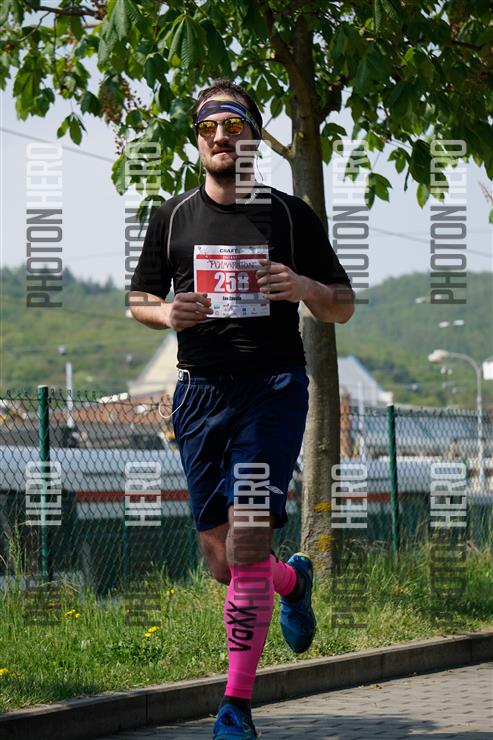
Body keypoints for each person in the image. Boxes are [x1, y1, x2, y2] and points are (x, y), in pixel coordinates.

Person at [129, 78, 355, 739]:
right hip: (199, 393)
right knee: (224, 563)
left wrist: (304, 285)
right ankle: (291, 582)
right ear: (197, 141)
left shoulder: (290, 215)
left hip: (272, 390)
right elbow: (138, 300)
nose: (221, 136)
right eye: (208, 127)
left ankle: (235, 706)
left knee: (249, 535)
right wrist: (167, 313)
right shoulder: (172, 217)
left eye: (233, 124)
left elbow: (341, 304)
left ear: (254, 136)